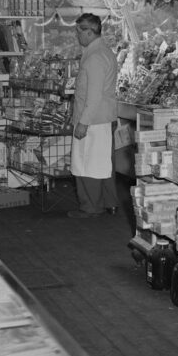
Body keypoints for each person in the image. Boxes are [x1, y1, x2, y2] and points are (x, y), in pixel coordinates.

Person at [68, 13, 118, 218]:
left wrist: (83, 123)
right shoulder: (104, 52)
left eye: (79, 31)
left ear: (89, 32)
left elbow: (94, 95)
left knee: (86, 164)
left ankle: (90, 207)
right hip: (103, 118)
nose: (77, 35)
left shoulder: (94, 57)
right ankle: (109, 202)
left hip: (93, 120)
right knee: (104, 164)